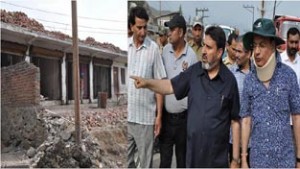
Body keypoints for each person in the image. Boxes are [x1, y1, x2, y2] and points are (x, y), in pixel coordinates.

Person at [131, 26, 241, 168]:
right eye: (203, 46)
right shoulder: (194, 73)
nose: (204, 51)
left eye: (209, 47)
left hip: (216, 160)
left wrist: (236, 160)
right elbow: (170, 86)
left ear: (220, 52)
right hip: (193, 158)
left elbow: (235, 121)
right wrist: (147, 82)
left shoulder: (229, 81)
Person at [241, 18, 300, 168]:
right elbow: (246, 120)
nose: (257, 51)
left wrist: (299, 159)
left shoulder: (289, 76)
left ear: (273, 46)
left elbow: (297, 117)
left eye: (262, 45)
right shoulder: (249, 80)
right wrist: (243, 159)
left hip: (284, 160)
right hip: (258, 160)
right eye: (254, 46)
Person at [127, 6, 167, 168]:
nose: (143, 32)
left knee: (145, 164)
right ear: (131, 27)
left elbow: (160, 85)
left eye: (145, 27)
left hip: (145, 119)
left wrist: (159, 117)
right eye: (139, 28)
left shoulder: (153, 49)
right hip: (128, 119)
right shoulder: (125, 47)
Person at [159, 14, 197, 168]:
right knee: (164, 162)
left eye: (172, 29)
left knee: (182, 162)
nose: (169, 33)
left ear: (181, 32)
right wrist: (159, 116)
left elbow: (194, 92)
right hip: (166, 119)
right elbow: (161, 82)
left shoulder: (192, 57)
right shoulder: (165, 51)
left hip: (184, 121)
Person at [229, 35, 252, 166]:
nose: (236, 55)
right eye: (235, 51)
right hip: (233, 139)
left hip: (251, 140)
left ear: (248, 54)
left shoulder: (256, 76)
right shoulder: (229, 74)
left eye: (239, 52)